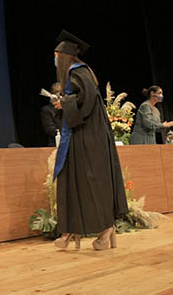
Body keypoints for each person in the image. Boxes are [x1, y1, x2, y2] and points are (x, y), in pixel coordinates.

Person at [51, 30, 128, 251]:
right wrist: (65, 103)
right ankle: (68, 231)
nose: (55, 59)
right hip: (80, 135)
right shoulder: (79, 73)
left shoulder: (78, 71)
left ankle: (105, 229)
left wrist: (64, 103)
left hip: (88, 136)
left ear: (64, 57)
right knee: (71, 180)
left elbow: (87, 101)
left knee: (92, 182)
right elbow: (78, 99)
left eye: (56, 55)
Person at [40, 82, 63, 146]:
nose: (58, 94)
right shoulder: (46, 110)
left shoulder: (67, 108)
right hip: (55, 143)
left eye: (60, 92)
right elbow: (50, 130)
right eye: (56, 92)